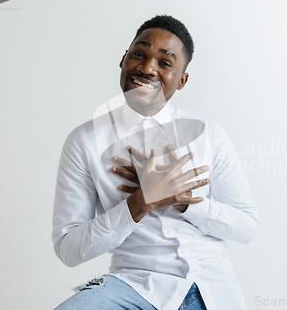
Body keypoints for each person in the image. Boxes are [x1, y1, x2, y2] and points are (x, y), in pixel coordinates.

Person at [52, 15, 258, 310]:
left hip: (208, 288)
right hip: (132, 286)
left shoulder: (208, 134)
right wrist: (140, 202)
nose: (147, 68)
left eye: (165, 63)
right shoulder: (84, 142)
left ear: (182, 80)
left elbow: (247, 226)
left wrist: (184, 200)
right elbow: (68, 249)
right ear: (123, 60)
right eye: (139, 54)